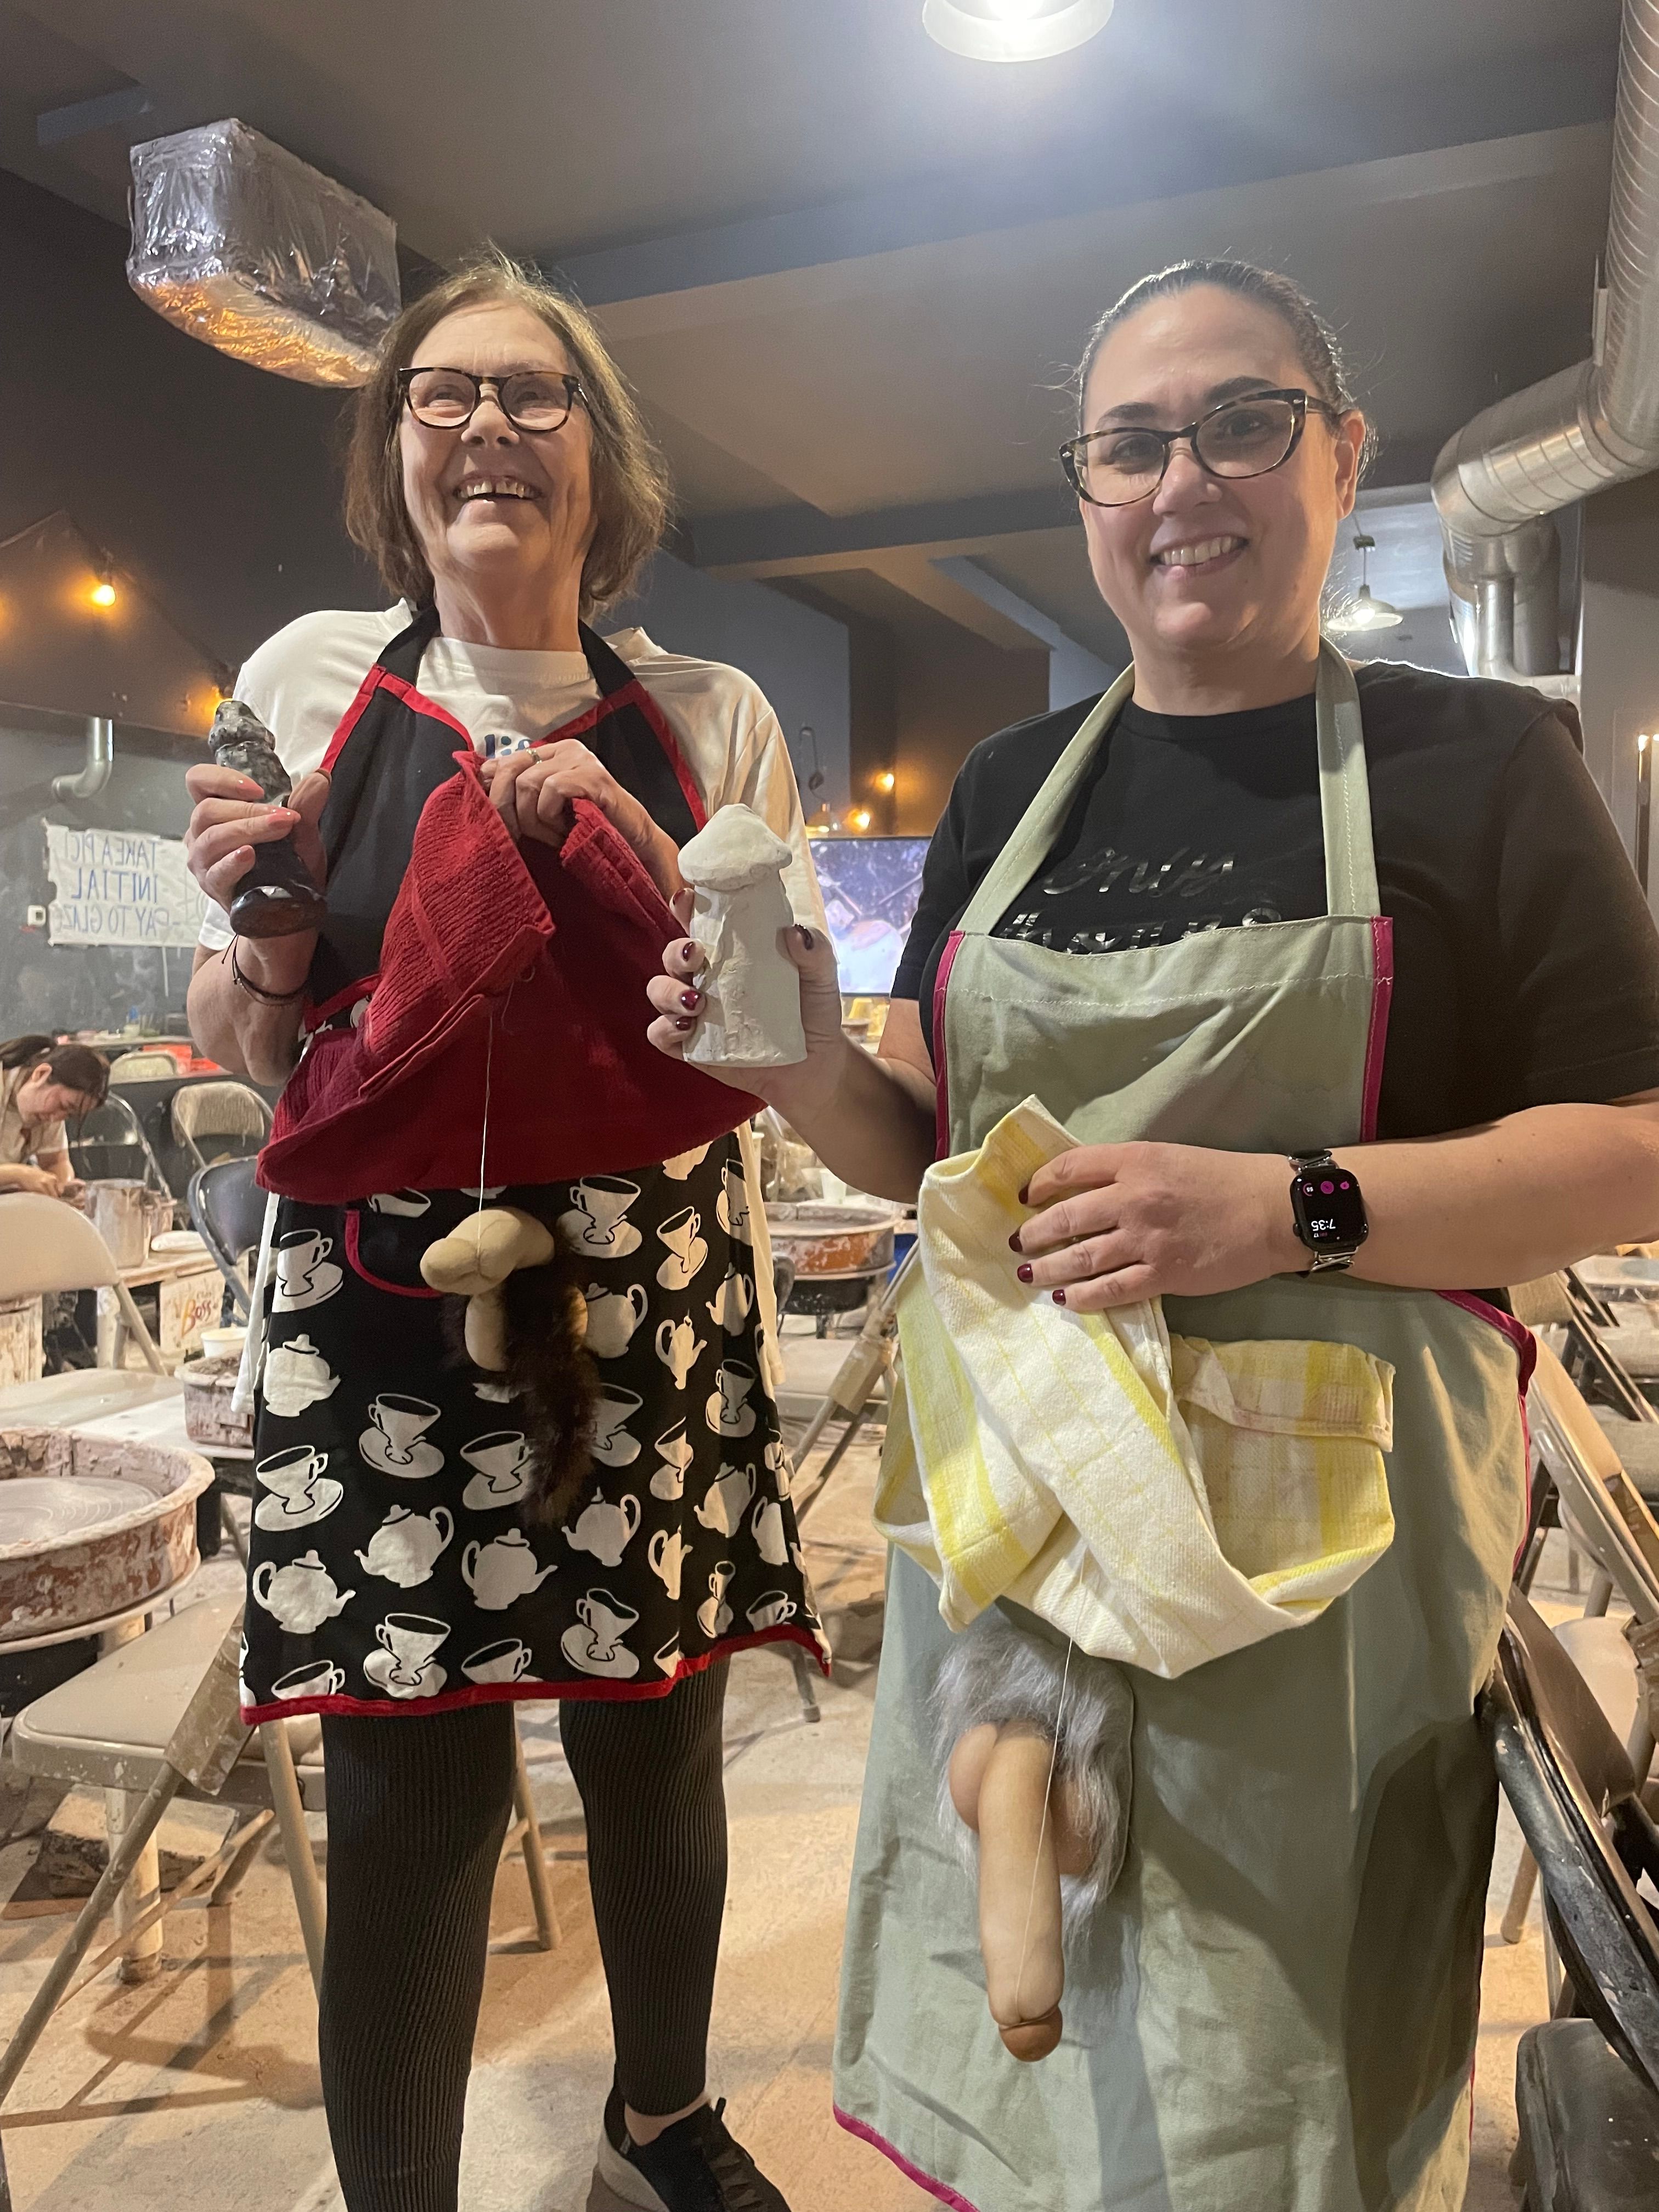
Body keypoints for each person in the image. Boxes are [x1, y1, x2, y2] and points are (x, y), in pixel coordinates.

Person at [651, 259, 1659, 2210]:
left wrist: (1280, 1204)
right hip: (1022, 1531)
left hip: (1320, 1589)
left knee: (1264, 2072)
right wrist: (782, 1065)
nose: (1179, 475)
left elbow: (1632, 1145)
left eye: (1239, 420)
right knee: (1038, 2035)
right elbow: (930, 1151)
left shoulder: (1481, 764)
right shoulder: (1010, 790)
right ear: (1083, 495)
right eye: (1127, 441)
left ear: (1338, 452)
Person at [183, 249, 825, 2212]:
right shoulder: (302, 678)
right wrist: (261, 930)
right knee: (410, 1781)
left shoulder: (709, 710)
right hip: (376, 1307)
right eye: (442, 392)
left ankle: (655, 2115)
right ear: (393, 444)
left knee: (655, 1740)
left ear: (596, 456)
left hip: (649, 1285)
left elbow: (776, 1030)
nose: (486, 426)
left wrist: (633, 853)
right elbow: (234, 1043)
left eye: (533, 394)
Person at [0, 1036, 106, 1197]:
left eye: (70, 1114)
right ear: (41, 1074)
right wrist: (19, 1174)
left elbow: (56, 1161)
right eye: (64, 1106)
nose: (55, 1118)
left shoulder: (49, 1110)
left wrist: (63, 1187)